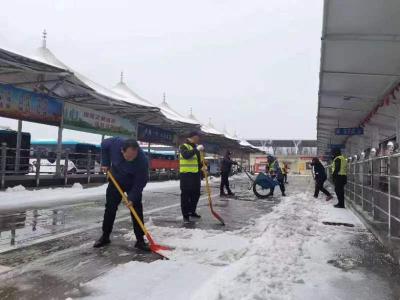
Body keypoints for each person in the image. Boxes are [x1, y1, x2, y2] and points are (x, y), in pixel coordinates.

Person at [94, 137, 149, 251]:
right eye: (128, 156)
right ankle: (105, 236)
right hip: (116, 180)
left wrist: (132, 197)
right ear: (122, 151)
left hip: (132, 183)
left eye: (133, 156)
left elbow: (140, 182)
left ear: (137, 151)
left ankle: (140, 240)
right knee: (110, 208)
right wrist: (105, 162)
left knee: (136, 209)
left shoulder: (142, 160)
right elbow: (104, 145)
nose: (131, 159)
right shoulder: (115, 143)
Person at [179, 131, 203, 223]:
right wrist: (196, 149)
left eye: (198, 138)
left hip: (195, 175)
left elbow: (197, 163)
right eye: (196, 138)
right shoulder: (183, 146)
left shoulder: (196, 148)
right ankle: (185, 216)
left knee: (196, 194)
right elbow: (186, 156)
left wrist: (202, 165)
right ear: (191, 137)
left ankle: (192, 211)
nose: (198, 140)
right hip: (186, 175)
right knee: (185, 195)